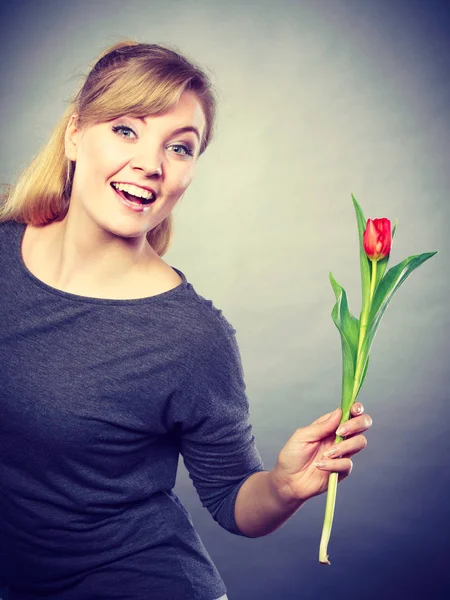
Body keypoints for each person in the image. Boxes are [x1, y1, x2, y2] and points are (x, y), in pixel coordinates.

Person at [0, 41, 372, 600]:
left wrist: (284, 486)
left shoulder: (190, 336)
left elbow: (230, 499)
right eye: (126, 130)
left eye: (180, 147)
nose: (150, 164)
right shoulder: (5, 245)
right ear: (75, 133)